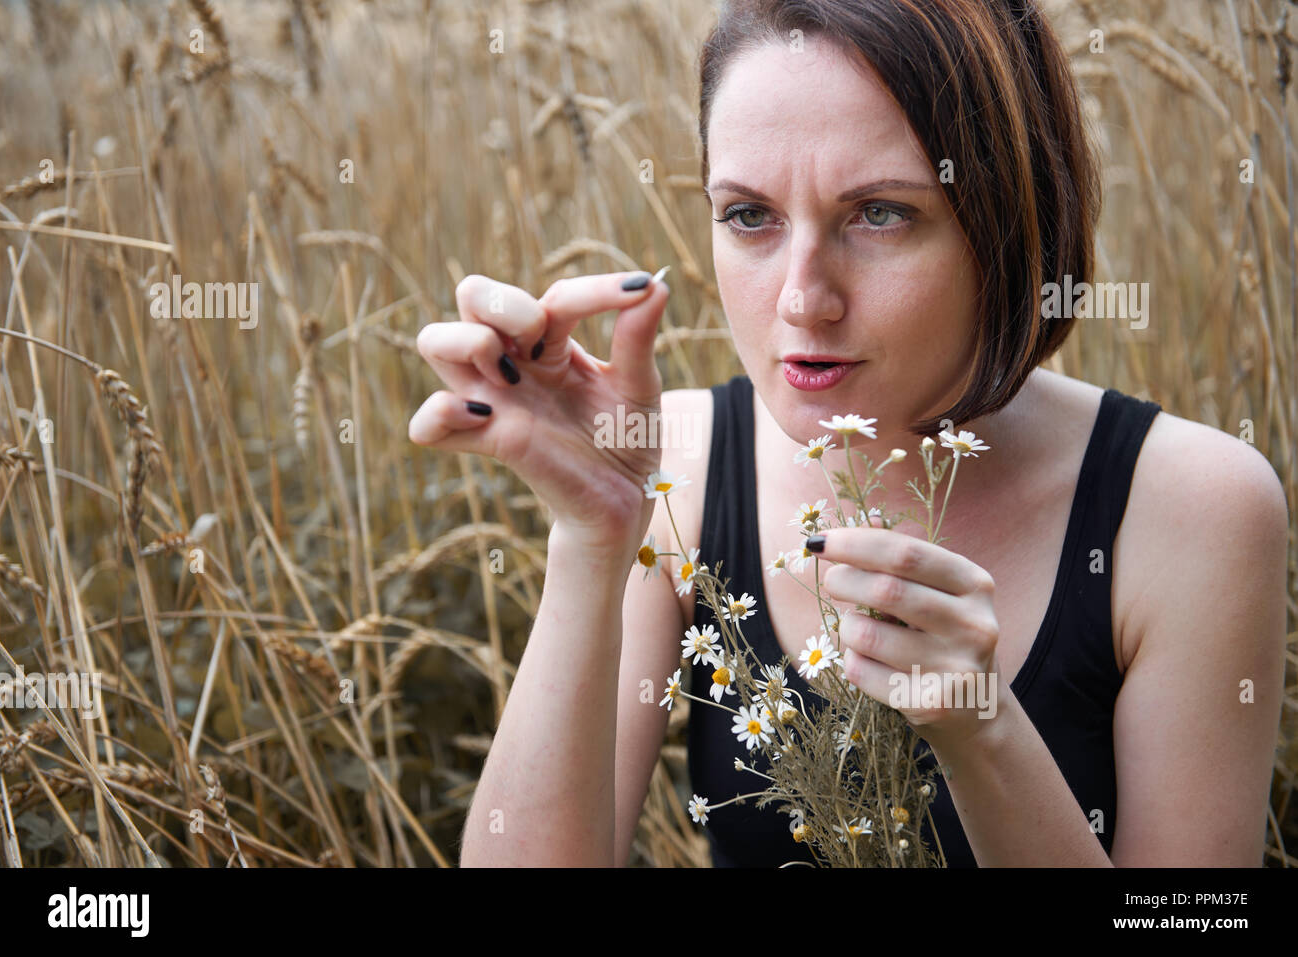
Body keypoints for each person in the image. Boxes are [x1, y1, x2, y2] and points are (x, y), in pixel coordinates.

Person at [410, 0, 1289, 867]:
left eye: (879, 213)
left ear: (1010, 218)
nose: (801, 299)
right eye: (749, 216)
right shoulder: (669, 465)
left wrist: (983, 728)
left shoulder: (1190, 506)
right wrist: (593, 536)